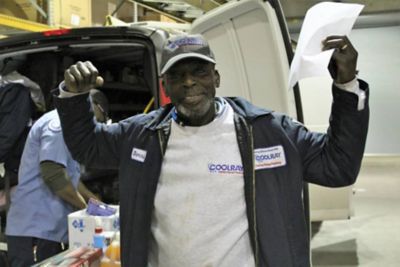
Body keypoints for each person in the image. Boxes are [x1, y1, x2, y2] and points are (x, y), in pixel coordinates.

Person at [54, 33, 369, 267]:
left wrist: (346, 85)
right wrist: (72, 97)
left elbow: (338, 165)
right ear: (164, 86)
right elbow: (89, 147)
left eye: (200, 72)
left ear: (216, 77)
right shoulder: (143, 135)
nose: (189, 83)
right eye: (177, 75)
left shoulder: (268, 131)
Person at [5, 89, 108, 267]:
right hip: (35, 226)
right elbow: (54, 175)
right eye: (98, 120)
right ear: (94, 107)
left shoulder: (69, 128)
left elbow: (69, 176)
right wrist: (85, 210)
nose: (94, 126)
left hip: (46, 226)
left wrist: (93, 200)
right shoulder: (59, 125)